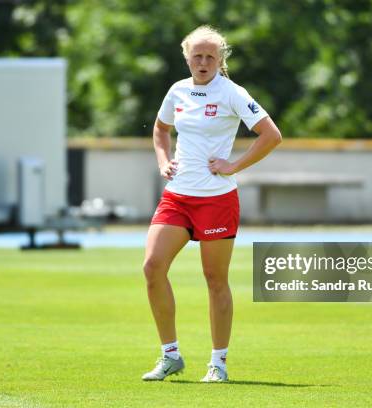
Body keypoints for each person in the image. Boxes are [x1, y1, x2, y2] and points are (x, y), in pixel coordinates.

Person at [141, 25, 282, 383]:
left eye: (210, 57)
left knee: (215, 279)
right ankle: (170, 355)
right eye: (197, 56)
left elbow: (271, 135)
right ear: (187, 57)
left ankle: (218, 363)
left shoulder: (233, 93)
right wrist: (163, 161)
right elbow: (160, 129)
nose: (203, 62)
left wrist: (233, 166)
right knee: (152, 267)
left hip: (217, 199)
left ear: (220, 60)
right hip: (178, 196)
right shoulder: (178, 91)